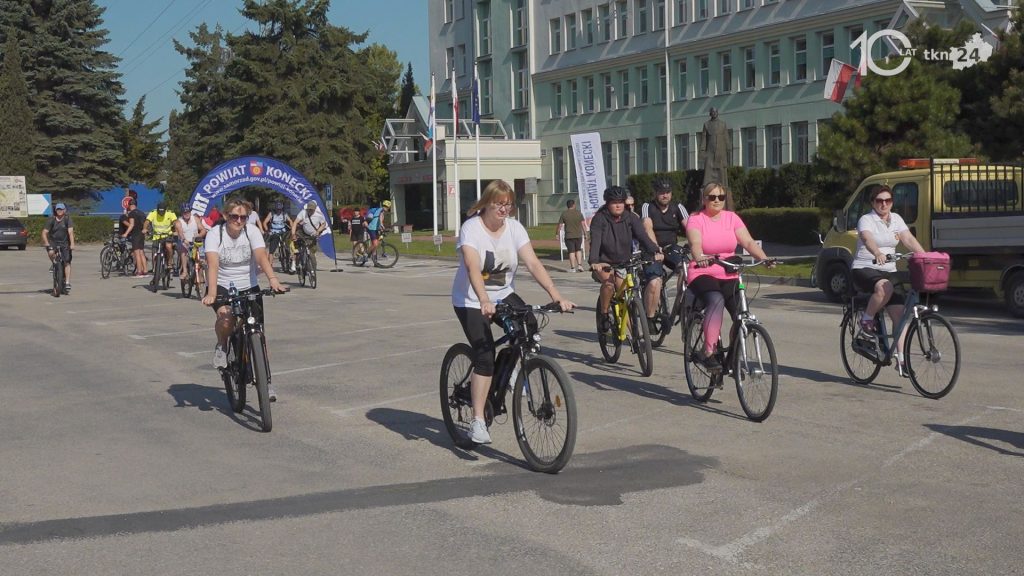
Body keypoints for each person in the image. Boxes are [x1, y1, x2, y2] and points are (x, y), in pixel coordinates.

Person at [452, 180, 575, 445]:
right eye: (499, 204)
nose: (504, 209)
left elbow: (533, 263)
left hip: (503, 294)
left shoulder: (515, 228)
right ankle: (478, 420)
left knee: (529, 325)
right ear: (487, 203)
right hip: (471, 299)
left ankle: (511, 371)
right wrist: (484, 300)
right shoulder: (471, 228)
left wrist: (556, 296)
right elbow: (472, 267)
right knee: (485, 356)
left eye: (508, 204)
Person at [203, 198, 287, 400]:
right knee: (226, 318)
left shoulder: (252, 231)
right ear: (226, 216)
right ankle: (222, 345)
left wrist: (273, 280)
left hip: (248, 285)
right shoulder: (215, 234)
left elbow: (261, 257)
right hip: (222, 285)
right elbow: (213, 265)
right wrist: (212, 293)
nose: (239, 221)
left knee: (258, 333)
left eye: (243, 217)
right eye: (234, 216)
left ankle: (266, 382)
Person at [686, 182, 773, 370]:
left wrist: (764, 258)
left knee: (741, 315)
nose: (717, 200)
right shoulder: (696, 219)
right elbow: (695, 243)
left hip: (728, 271)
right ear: (704, 199)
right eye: (712, 197)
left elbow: (748, 242)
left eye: (721, 197)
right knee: (716, 299)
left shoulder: (732, 218)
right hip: (703, 271)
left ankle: (732, 358)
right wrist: (699, 256)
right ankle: (708, 351)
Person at [850, 185, 926, 373]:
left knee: (900, 315)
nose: (884, 204)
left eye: (888, 200)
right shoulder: (866, 220)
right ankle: (866, 320)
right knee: (885, 287)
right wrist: (877, 252)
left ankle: (902, 360)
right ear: (873, 203)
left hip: (889, 270)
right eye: (879, 201)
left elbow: (908, 239)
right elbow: (867, 238)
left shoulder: (896, 219)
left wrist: (925, 256)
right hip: (865, 267)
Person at [589, 186, 662, 334]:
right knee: (609, 284)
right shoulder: (599, 218)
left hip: (624, 262)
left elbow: (642, 237)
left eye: (621, 202)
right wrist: (594, 262)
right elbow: (595, 241)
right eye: (614, 202)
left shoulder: (631, 217)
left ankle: (635, 336)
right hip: (604, 262)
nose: (618, 205)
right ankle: (604, 314)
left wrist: (655, 250)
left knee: (623, 298)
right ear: (607, 203)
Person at [641, 178, 690, 334]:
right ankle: (649, 318)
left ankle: (681, 304)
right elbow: (647, 227)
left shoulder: (678, 207)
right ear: (656, 193)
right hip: (651, 249)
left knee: (687, 269)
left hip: (671, 248)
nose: (665, 195)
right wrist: (655, 249)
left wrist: (698, 246)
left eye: (668, 192)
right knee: (655, 281)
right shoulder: (647, 207)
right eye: (662, 192)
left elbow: (690, 227)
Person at [41, 203, 75, 293]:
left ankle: (67, 282)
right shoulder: (51, 220)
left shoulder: (67, 219)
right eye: (58, 209)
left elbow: (70, 232)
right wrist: (46, 243)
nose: (59, 211)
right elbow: (44, 232)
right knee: (51, 252)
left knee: (67, 261)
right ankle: (54, 263)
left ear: (64, 210)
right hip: (53, 242)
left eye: (61, 209)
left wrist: (72, 244)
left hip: (65, 243)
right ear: (55, 210)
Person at [145, 202, 178, 282]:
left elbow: (175, 222)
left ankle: (169, 262)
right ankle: (155, 271)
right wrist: (145, 228)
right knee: (154, 254)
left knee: (168, 247)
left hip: (167, 235)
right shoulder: (153, 213)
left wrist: (176, 231)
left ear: (165, 210)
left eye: (162, 212)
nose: (161, 213)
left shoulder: (170, 213)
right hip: (156, 236)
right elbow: (147, 221)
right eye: (159, 212)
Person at [175, 204, 207, 280]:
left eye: (188, 212)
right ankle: (185, 271)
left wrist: (199, 236)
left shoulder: (195, 219)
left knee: (201, 258)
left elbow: (203, 230)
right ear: (182, 213)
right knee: (183, 251)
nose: (187, 214)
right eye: (184, 212)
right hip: (185, 242)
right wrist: (184, 240)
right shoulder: (178, 222)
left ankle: (200, 276)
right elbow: (180, 233)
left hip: (196, 241)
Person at [702, 107, 730, 189]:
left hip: (721, 152)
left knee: (721, 171)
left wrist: (728, 148)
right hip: (710, 152)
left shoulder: (723, 124)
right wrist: (702, 150)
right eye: (712, 112)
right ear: (710, 113)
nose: (714, 113)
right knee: (708, 169)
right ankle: (707, 186)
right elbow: (704, 138)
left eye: (715, 111)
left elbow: (726, 138)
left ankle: (723, 186)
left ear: (717, 113)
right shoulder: (706, 124)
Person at [556, 199, 587, 273]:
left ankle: (573, 268)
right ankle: (580, 265)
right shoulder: (579, 213)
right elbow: (583, 224)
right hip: (578, 235)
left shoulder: (564, 214)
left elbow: (560, 225)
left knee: (571, 251)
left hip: (569, 236)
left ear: (567, 206)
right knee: (578, 250)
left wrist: (557, 234)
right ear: (574, 205)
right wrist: (585, 233)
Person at [262, 201, 293, 270]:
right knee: (272, 250)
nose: (279, 211)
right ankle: (270, 265)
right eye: (277, 209)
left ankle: (289, 259)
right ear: (275, 208)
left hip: (283, 232)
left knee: (287, 246)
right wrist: (267, 230)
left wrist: (292, 227)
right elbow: (265, 222)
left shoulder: (284, 214)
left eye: (280, 209)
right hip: (274, 232)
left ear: (282, 208)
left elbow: (290, 221)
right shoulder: (271, 214)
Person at [125, 198, 148, 277]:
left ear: (130, 205)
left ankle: (139, 271)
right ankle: (145, 270)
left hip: (135, 234)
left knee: (136, 253)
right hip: (142, 234)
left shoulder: (132, 214)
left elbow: (131, 225)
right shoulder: (142, 213)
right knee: (141, 252)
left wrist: (126, 233)